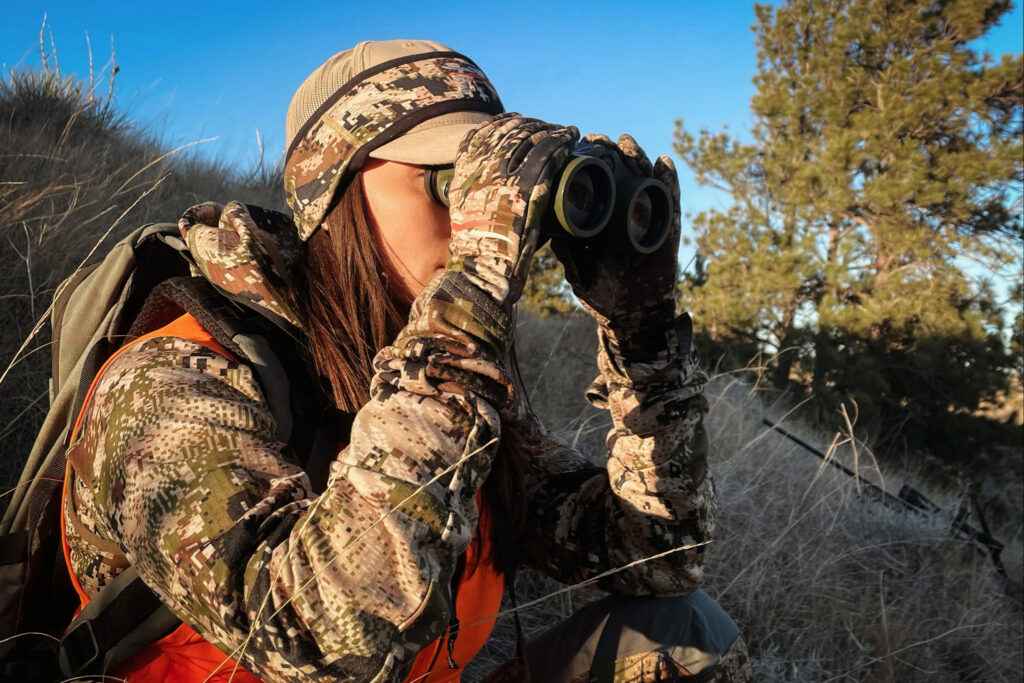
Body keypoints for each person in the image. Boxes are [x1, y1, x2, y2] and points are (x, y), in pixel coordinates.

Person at [59, 39, 753, 681]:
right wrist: (476, 283)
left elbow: (657, 555)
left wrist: (643, 333)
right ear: (333, 192)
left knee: (683, 630)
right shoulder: (175, 378)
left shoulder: (438, 374)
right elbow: (314, 639)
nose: (479, 214)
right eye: (451, 182)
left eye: (495, 185)